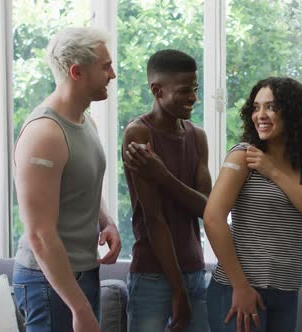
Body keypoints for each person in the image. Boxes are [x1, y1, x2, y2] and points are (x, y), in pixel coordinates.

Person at [13, 27, 121, 332]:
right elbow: (40, 235)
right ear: (77, 72)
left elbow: (81, 184)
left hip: (82, 272)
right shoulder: (44, 134)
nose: (112, 74)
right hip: (47, 281)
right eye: (105, 67)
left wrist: (106, 221)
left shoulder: (86, 121)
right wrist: (80, 308)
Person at [203, 77, 302, 332]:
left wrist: (273, 171)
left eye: (271, 107)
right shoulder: (243, 155)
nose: (260, 115)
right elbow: (213, 218)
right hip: (239, 290)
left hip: (287, 292)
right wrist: (240, 286)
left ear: (293, 113)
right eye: (256, 107)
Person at [121, 49, 212, 332]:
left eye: (195, 89)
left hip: (195, 270)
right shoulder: (139, 134)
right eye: (185, 91)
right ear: (157, 90)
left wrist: (162, 176)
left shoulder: (197, 136)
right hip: (152, 275)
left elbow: (206, 209)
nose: (193, 98)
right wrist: (178, 291)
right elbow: (154, 219)